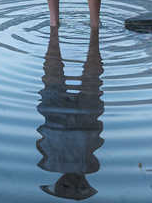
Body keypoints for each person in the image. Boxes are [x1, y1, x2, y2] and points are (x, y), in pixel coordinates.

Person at [35, 28, 104, 200]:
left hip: (69, 115)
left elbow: (98, 136)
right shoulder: (47, 163)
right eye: (79, 187)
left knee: (59, 72)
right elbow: (40, 139)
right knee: (89, 78)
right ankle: (93, 29)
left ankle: (54, 28)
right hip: (62, 114)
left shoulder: (93, 166)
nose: (73, 185)